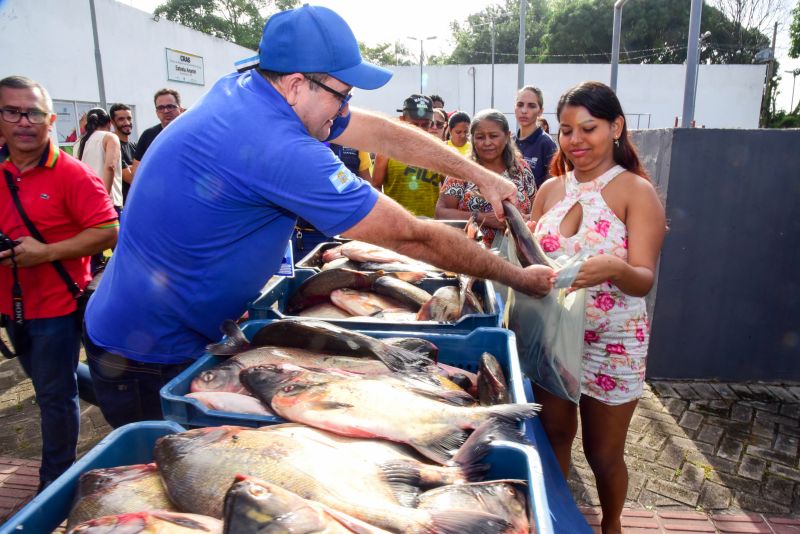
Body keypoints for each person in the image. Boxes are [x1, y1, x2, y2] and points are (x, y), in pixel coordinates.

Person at [84, 4, 555, 430]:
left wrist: (479, 175)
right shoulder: (279, 146)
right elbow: (413, 238)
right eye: (342, 94)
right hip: (147, 355)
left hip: (180, 329)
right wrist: (518, 277)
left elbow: (380, 131)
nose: (347, 108)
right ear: (295, 83)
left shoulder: (254, 88)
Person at [528, 81, 666, 534]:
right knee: (552, 438)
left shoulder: (635, 192)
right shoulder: (549, 189)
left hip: (614, 343)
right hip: (552, 336)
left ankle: (612, 525)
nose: (576, 140)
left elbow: (643, 277)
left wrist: (613, 268)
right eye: (567, 130)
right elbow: (533, 257)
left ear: (616, 127)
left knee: (604, 455)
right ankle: (556, 520)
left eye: (589, 128)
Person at [0, 76, 118, 492]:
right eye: (12, 111)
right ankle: (125, 401)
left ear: (51, 120)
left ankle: (55, 482)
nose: (23, 121)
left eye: (33, 112)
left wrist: (45, 252)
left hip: (56, 305)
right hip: (11, 306)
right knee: (52, 381)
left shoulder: (73, 175)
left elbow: (108, 231)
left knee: (52, 396)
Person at [436, 110, 535, 247]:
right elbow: (441, 213)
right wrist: (481, 217)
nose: (487, 142)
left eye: (493, 136)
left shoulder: (521, 169)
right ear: (472, 139)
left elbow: (536, 212)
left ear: (507, 136)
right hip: (471, 255)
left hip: (516, 256)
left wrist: (522, 220)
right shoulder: (463, 170)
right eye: (480, 137)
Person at [371, 94, 445, 217]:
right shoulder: (387, 150)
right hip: (398, 225)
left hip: (430, 226)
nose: (419, 130)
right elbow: (376, 188)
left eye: (425, 125)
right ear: (402, 120)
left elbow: (448, 191)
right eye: (414, 125)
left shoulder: (439, 151)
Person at [77, 107, 123, 213]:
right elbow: (110, 167)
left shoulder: (79, 143)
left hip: (87, 203)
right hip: (109, 201)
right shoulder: (110, 137)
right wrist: (104, 199)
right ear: (109, 123)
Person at [130, 88, 182, 180]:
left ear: (180, 109)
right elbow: (136, 171)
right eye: (161, 108)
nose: (166, 111)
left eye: (170, 106)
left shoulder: (191, 134)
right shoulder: (148, 135)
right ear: (157, 112)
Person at [513, 85, 557, 190]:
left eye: (531, 106)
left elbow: (553, 185)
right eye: (520, 104)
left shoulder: (546, 143)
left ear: (540, 111)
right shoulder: (509, 142)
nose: (524, 110)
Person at [109, 103, 137, 204]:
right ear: (112, 122)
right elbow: (131, 178)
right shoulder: (112, 146)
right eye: (121, 119)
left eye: (129, 118)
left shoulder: (134, 146)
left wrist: (131, 168)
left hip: (136, 203)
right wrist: (136, 167)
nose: (127, 122)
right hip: (122, 205)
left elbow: (148, 171)